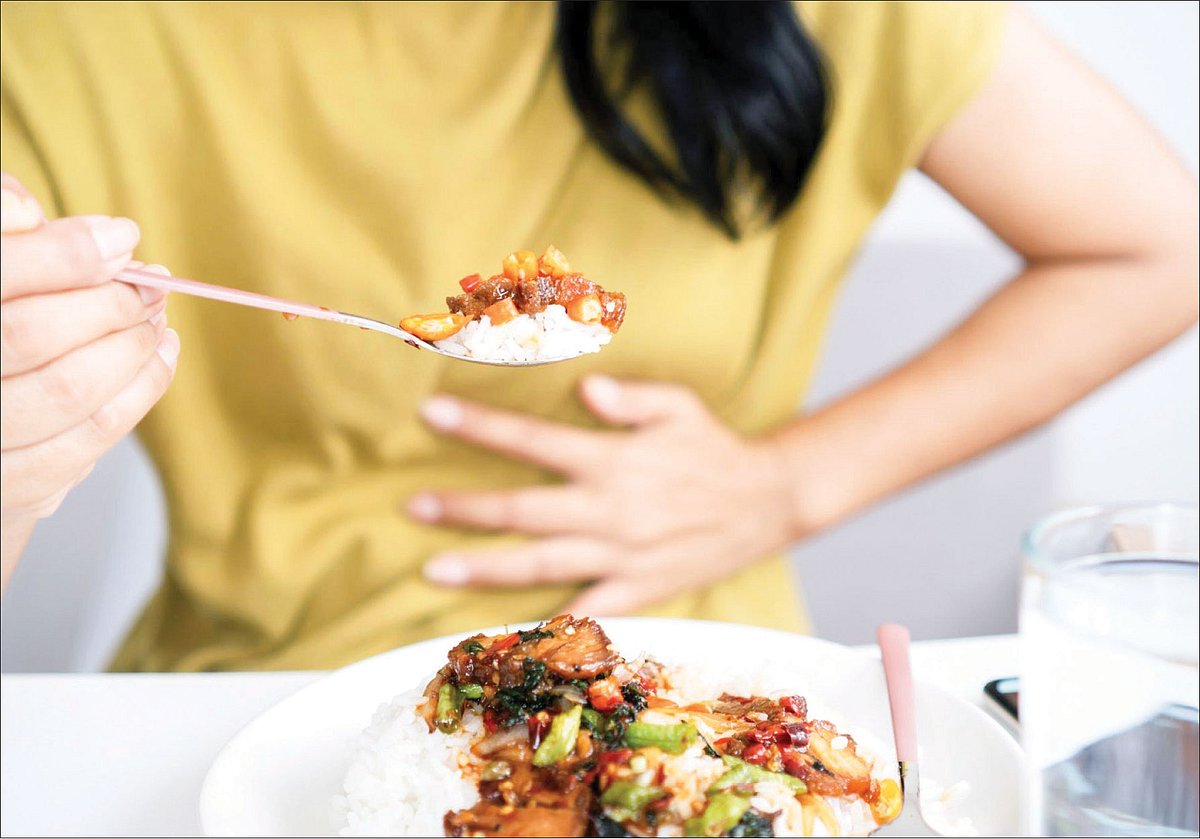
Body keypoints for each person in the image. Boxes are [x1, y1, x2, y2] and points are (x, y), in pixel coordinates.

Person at [0, 2, 1195, 671]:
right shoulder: (62, 35)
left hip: (694, 674)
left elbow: (1159, 248)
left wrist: (789, 483)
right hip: (249, 691)